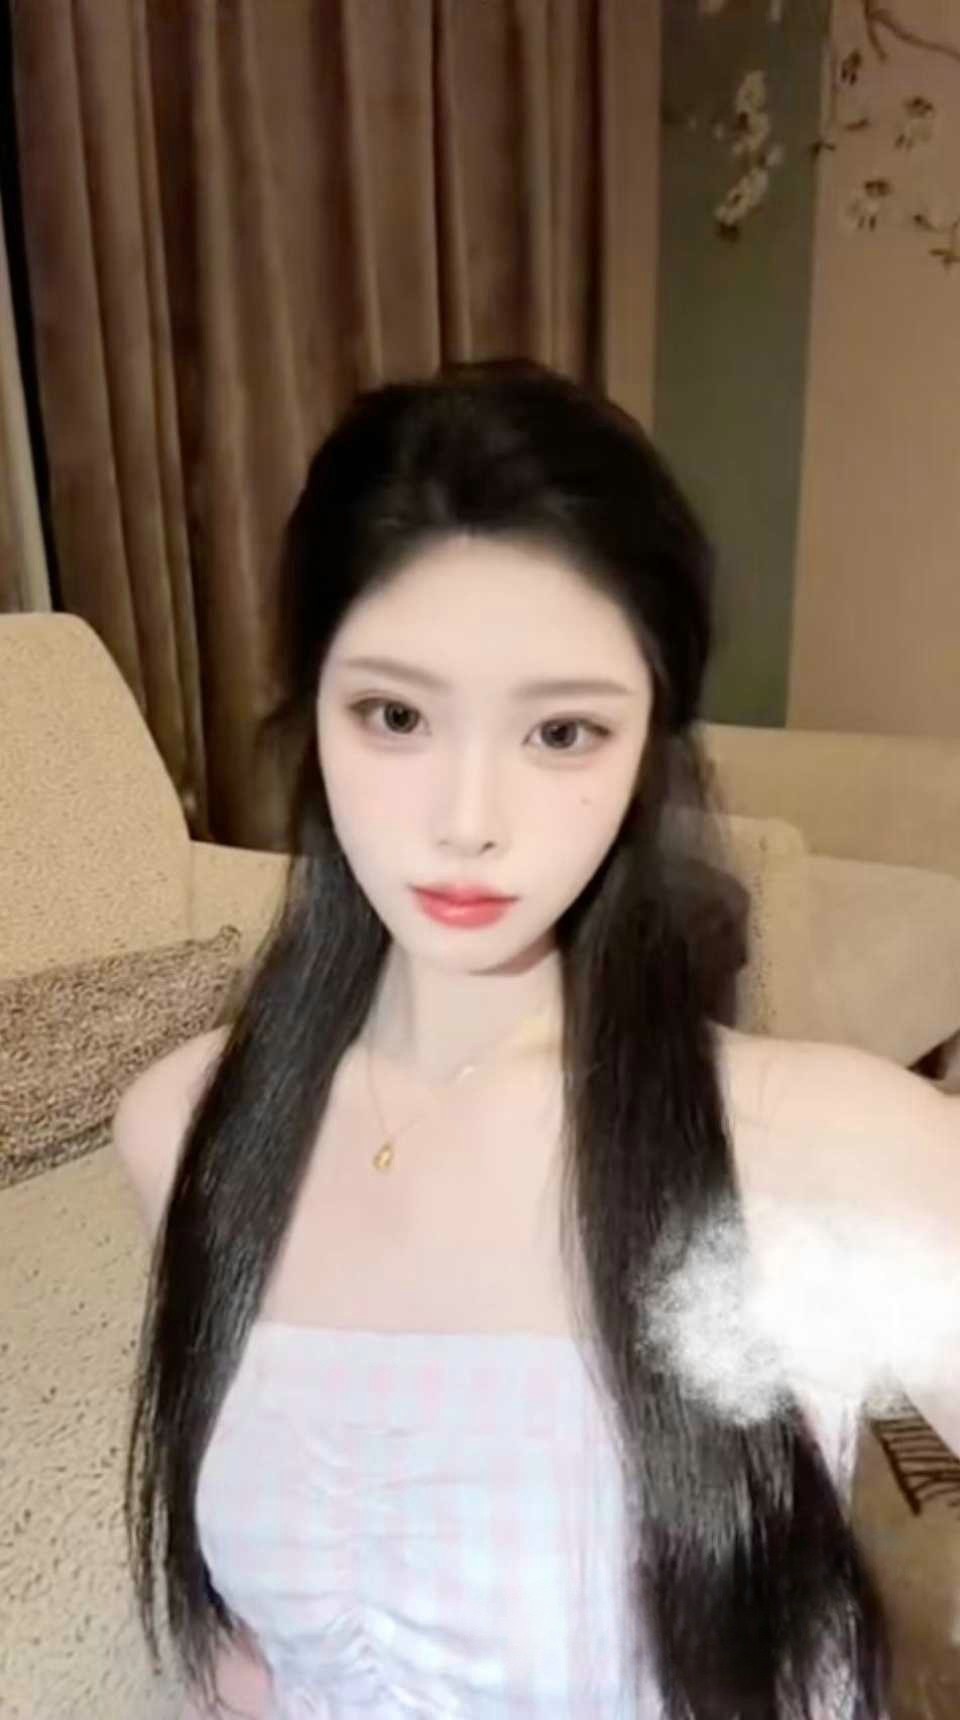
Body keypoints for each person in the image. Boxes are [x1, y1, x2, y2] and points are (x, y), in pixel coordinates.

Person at [113, 358, 960, 1718]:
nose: (469, 819)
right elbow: (246, 1661)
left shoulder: (837, 1152)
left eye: (562, 730)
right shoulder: (187, 1126)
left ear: (649, 748)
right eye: (396, 715)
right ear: (310, 713)